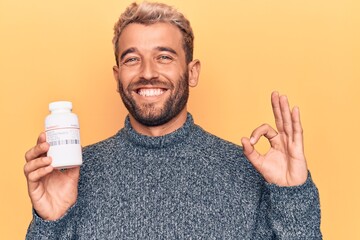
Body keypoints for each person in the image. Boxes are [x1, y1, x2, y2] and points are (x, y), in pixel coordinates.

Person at [24, 2, 322, 239]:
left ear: (192, 72)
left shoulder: (246, 170)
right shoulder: (74, 175)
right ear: (117, 77)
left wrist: (291, 195)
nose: (148, 72)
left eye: (164, 56)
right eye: (131, 58)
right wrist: (50, 224)